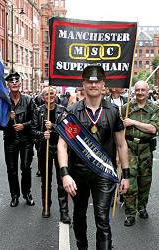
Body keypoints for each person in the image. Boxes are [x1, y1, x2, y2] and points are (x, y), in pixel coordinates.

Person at [57, 65, 130, 250]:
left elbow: (121, 144)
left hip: (103, 174)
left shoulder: (113, 112)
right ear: (83, 84)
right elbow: (62, 145)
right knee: (79, 216)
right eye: (89, 81)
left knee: (102, 218)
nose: (93, 84)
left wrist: (126, 175)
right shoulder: (72, 111)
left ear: (103, 84)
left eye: (97, 81)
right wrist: (65, 174)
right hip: (78, 173)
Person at [122, 80, 159, 226]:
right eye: (137, 90)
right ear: (134, 91)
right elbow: (119, 131)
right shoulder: (126, 108)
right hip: (129, 148)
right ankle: (130, 213)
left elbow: (153, 129)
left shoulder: (154, 108)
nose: (139, 93)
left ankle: (142, 207)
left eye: (142, 90)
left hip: (145, 149)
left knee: (145, 181)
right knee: (130, 182)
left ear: (147, 91)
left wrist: (133, 123)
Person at [30, 87, 71, 222]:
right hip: (44, 149)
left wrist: (53, 126)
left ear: (56, 95)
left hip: (60, 149)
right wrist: (42, 134)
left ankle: (64, 211)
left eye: (52, 93)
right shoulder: (38, 111)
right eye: (46, 94)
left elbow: (68, 130)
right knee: (45, 180)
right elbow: (33, 130)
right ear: (43, 97)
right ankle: (46, 206)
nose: (49, 96)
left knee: (62, 180)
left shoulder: (62, 110)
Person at [0, 72, 35, 207]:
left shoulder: (29, 100)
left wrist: (23, 125)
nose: (14, 83)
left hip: (26, 140)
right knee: (11, 169)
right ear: (8, 85)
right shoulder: (4, 102)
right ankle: (14, 195)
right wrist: (7, 118)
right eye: (11, 81)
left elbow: (35, 121)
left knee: (25, 167)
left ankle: (27, 193)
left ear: (20, 84)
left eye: (16, 81)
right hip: (10, 140)